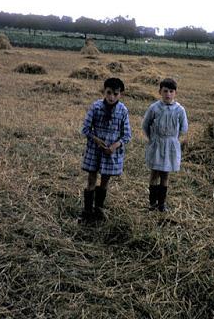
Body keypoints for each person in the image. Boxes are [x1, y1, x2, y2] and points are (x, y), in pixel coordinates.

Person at [80, 77, 131, 221]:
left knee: (105, 181)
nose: (111, 97)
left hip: (111, 153)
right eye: (109, 93)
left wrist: (115, 146)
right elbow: (85, 129)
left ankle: (99, 209)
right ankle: (87, 212)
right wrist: (95, 139)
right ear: (104, 91)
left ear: (120, 94)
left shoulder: (123, 111)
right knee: (91, 179)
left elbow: (127, 135)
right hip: (94, 150)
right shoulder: (96, 107)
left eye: (115, 94)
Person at [142, 78, 188, 212]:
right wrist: (152, 138)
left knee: (165, 174)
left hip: (171, 144)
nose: (168, 94)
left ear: (175, 93)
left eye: (171, 91)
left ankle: (162, 204)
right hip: (156, 143)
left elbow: (183, 128)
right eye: (165, 91)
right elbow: (146, 125)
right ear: (160, 92)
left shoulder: (179, 110)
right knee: (154, 173)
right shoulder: (154, 107)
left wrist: (173, 139)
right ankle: (152, 203)